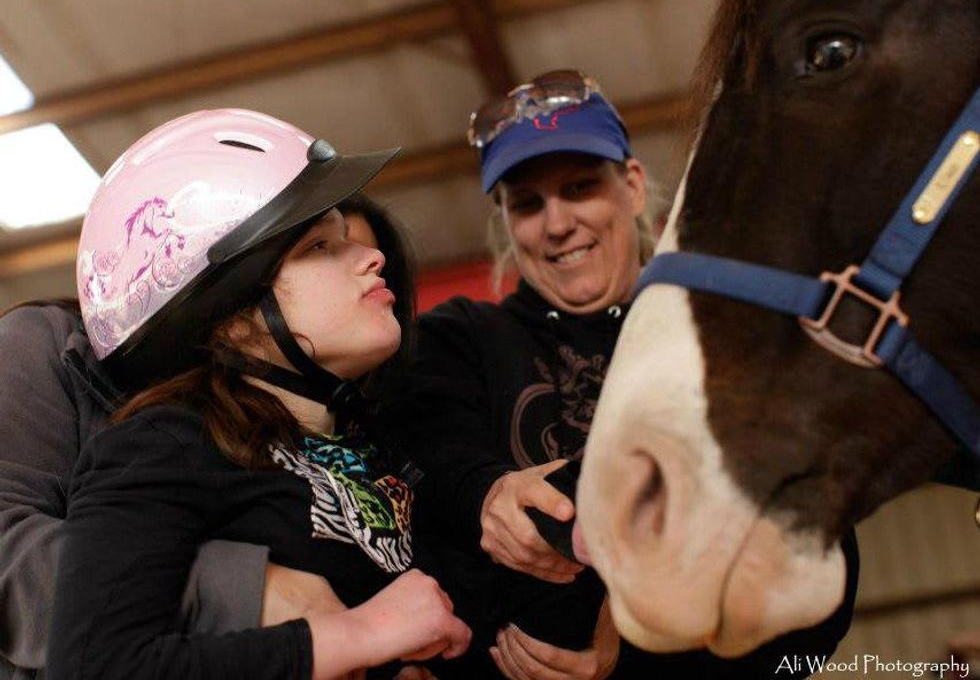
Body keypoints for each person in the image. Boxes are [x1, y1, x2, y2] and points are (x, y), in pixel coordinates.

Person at [44, 107, 607, 680]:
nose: (373, 256)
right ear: (233, 317)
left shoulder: (377, 447)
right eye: (319, 246)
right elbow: (94, 663)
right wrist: (350, 637)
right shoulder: (166, 441)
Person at [382, 69, 860, 679]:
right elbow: (420, 446)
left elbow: (815, 573)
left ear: (632, 186)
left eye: (580, 187)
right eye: (526, 203)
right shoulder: (459, 339)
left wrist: (636, 651)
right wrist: (487, 489)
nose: (556, 224)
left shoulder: (718, 339)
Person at [0, 194, 412, 680]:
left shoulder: (306, 420)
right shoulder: (54, 349)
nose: (369, 264)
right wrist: (244, 589)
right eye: (320, 247)